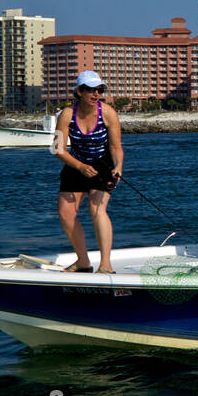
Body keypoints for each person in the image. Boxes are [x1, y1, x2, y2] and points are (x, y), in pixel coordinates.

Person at [54, 70, 123, 273]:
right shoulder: (67, 114)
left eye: (99, 90)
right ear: (80, 92)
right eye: (91, 90)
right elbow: (57, 149)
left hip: (102, 166)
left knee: (97, 209)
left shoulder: (108, 112)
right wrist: (80, 167)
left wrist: (118, 166)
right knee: (65, 214)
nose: (96, 94)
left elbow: (116, 146)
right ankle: (83, 261)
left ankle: (105, 265)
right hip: (75, 165)